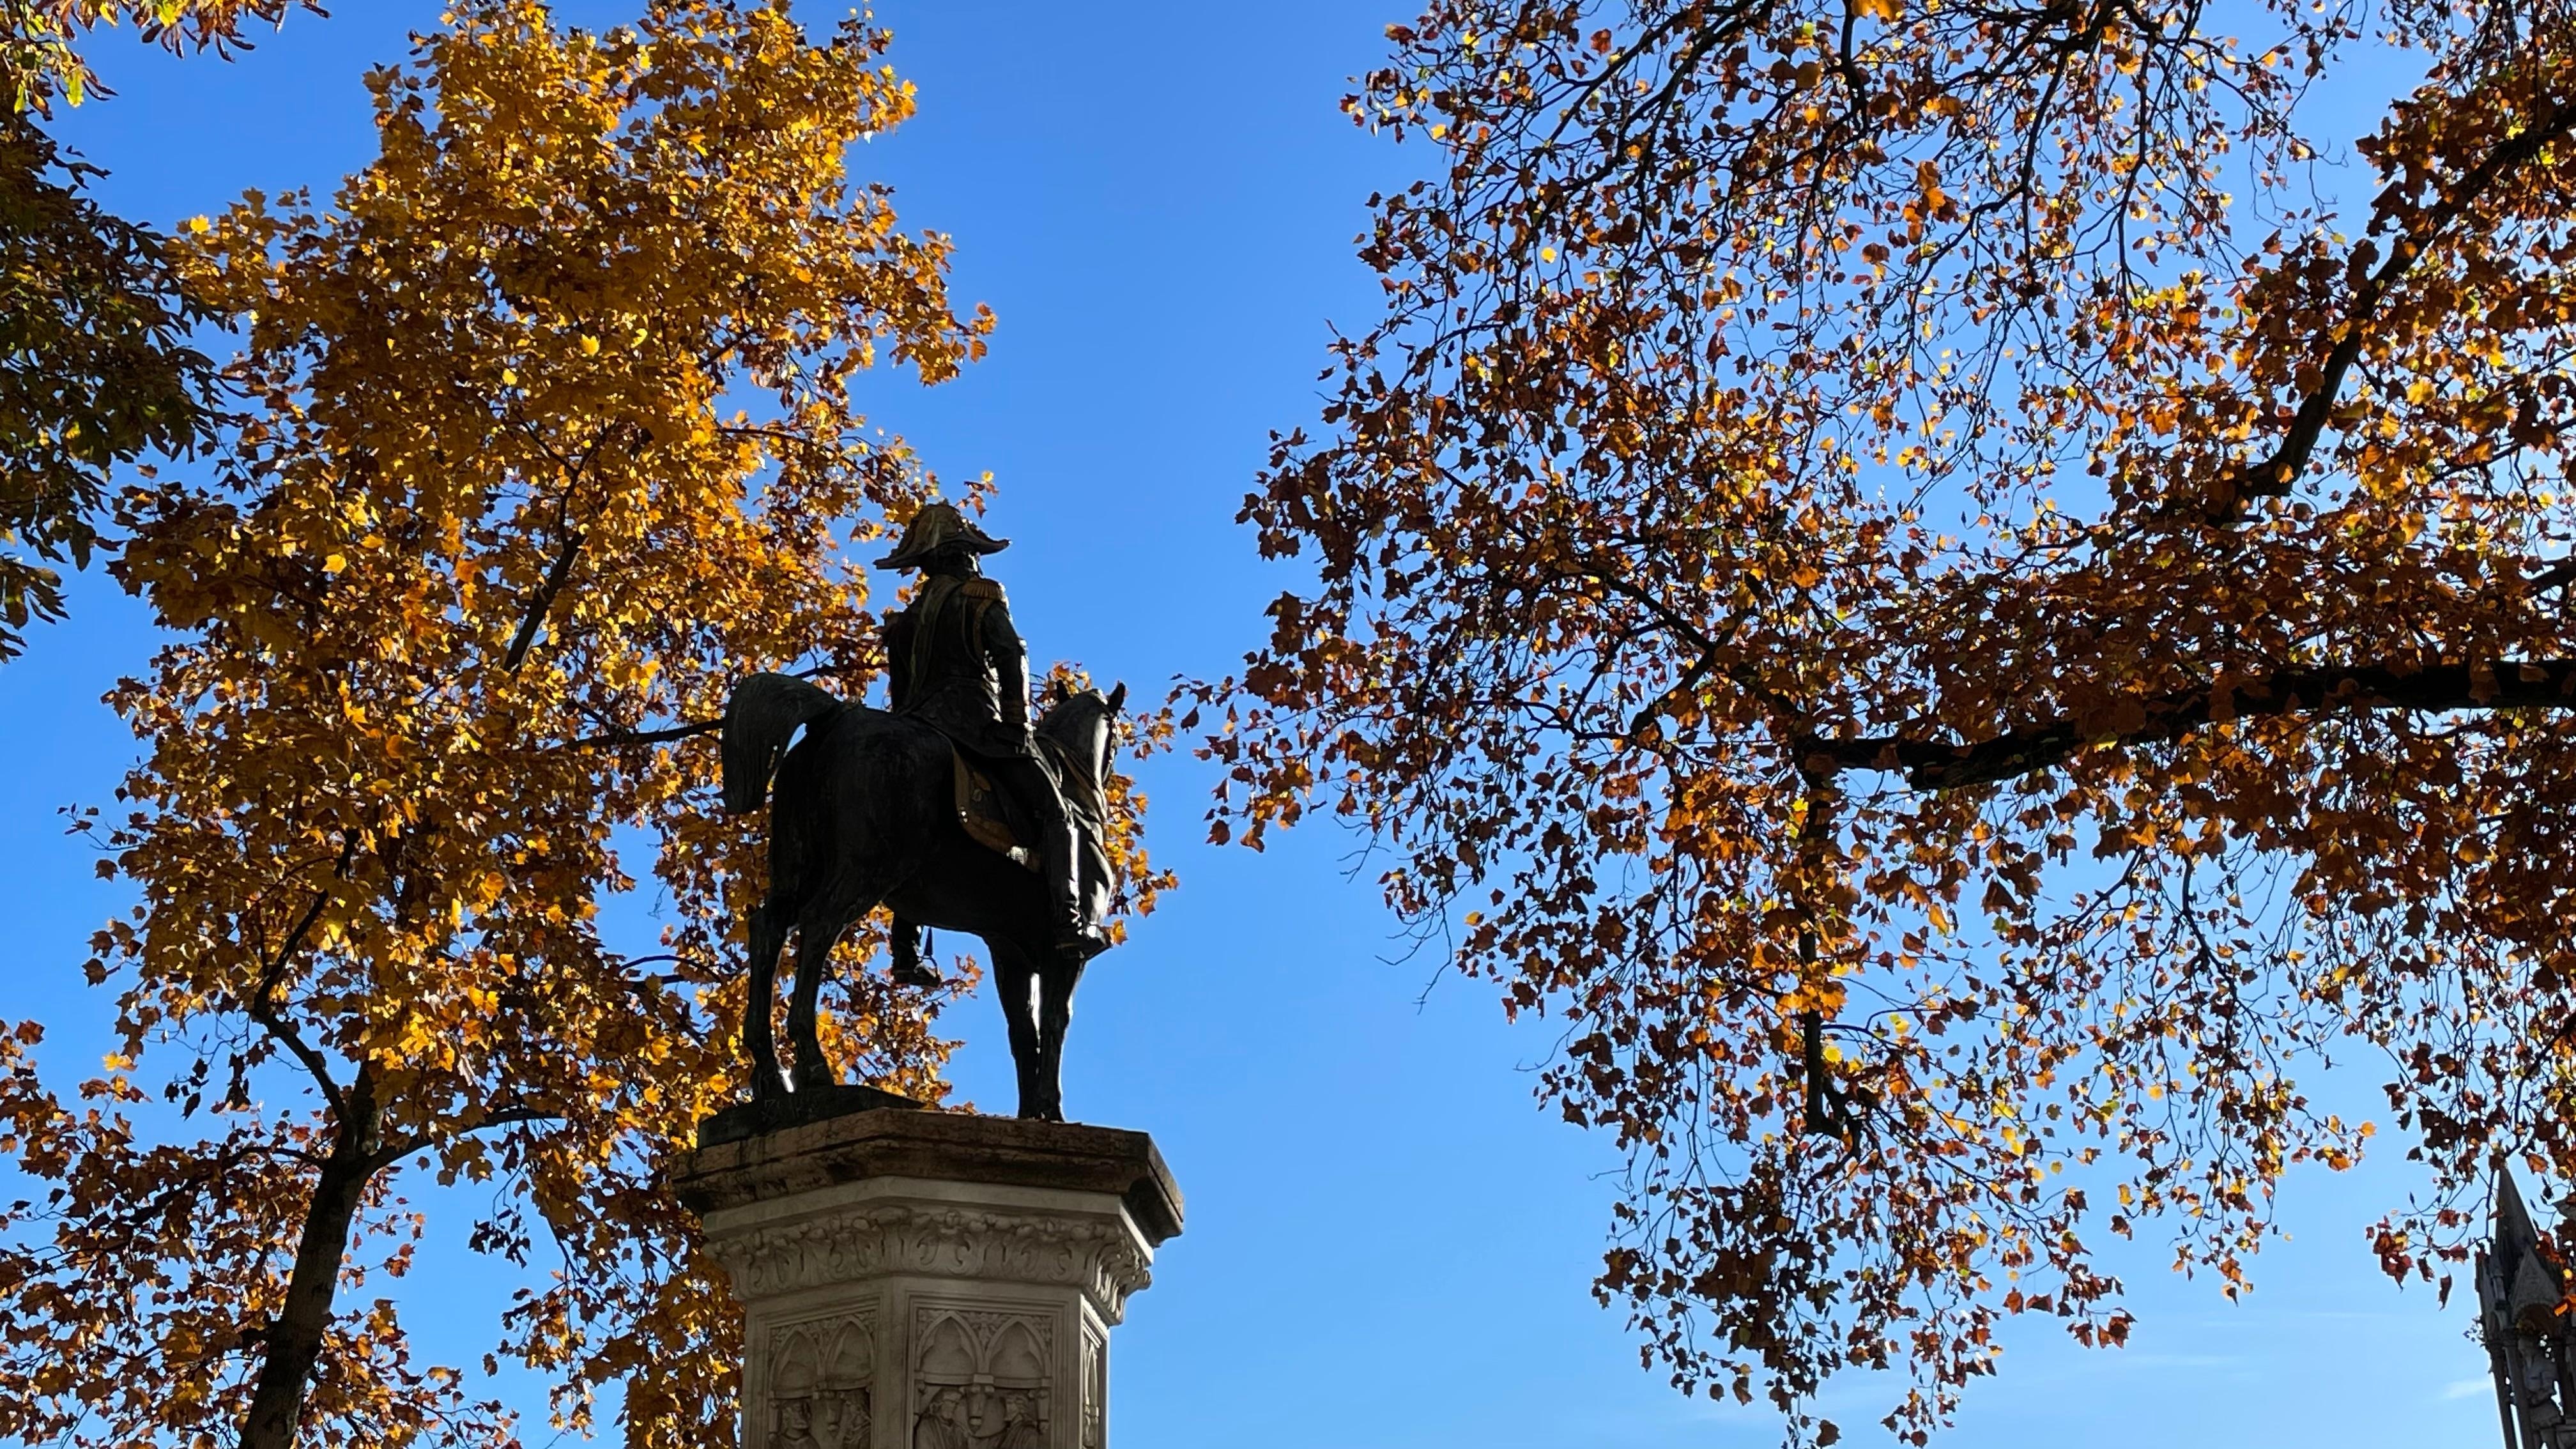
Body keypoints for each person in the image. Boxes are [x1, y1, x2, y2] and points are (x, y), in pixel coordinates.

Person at [877, 502, 1105, 966]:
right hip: (973, 724)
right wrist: (1017, 723)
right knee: (1056, 813)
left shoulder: (906, 620)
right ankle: (1069, 922)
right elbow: (1011, 654)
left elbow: (900, 690)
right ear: (961, 554)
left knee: (907, 824)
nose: (975, 560)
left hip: (915, 724)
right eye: (970, 551)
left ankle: (904, 948)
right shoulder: (981, 594)